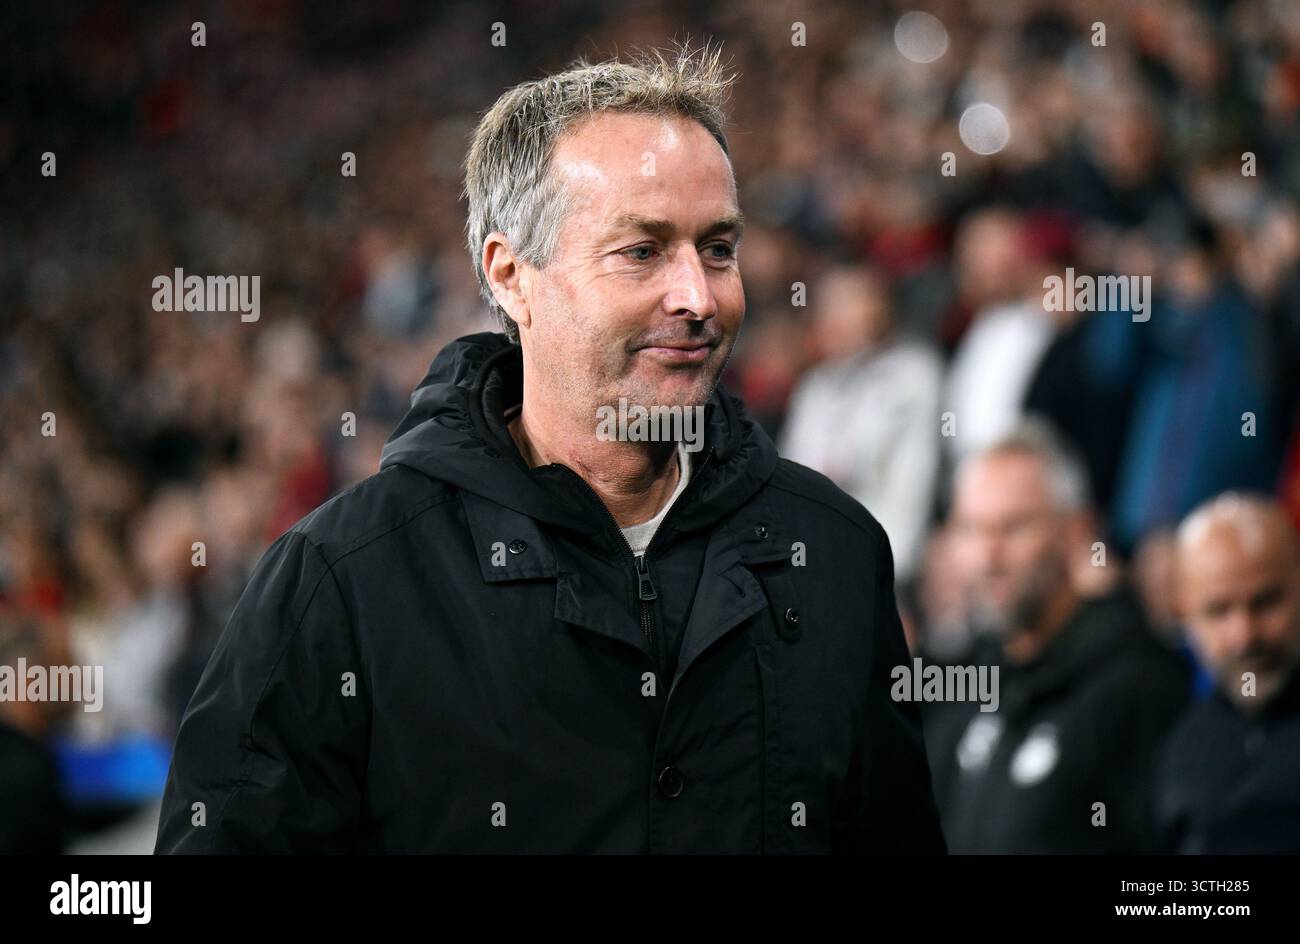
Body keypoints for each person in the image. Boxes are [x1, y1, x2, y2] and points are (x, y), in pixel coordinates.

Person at [154, 43, 945, 854]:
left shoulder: (837, 552)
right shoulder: (341, 581)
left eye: (717, 248)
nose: (698, 297)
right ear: (509, 276)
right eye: (641, 251)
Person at [923, 421, 1189, 852]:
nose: (989, 555)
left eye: (1012, 527)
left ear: (1076, 531)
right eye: (971, 528)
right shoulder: (962, 683)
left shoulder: (1138, 682)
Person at [1154, 494, 1300, 853]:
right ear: (1182, 611)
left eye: (1265, 602)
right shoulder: (1183, 743)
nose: (1245, 635)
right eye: (1218, 611)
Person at [779, 264, 943, 581]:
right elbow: (793, 484)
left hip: (889, 565)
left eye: (850, 301)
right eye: (828, 304)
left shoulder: (914, 375)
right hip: (817, 562)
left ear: (882, 306)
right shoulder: (815, 387)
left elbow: (912, 487)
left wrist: (887, 571)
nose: (836, 316)